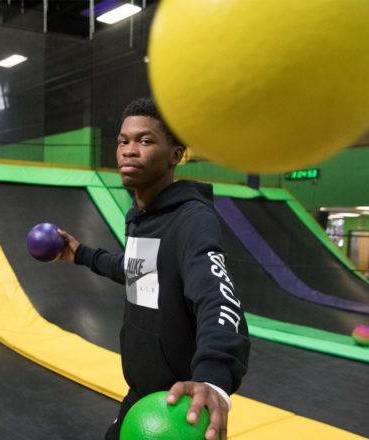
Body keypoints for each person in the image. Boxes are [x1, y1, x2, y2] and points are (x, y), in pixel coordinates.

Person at [57, 98, 250, 440]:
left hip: (176, 407)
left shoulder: (192, 220)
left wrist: (212, 379)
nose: (129, 150)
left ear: (175, 155)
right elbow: (139, 272)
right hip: (139, 395)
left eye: (145, 141)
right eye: (123, 141)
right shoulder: (142, 217)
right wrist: (81, 254)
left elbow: (219, 297)